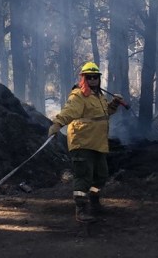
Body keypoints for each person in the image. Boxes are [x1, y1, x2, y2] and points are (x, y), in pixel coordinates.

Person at [47, 61, 124, 222]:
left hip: (97, 143)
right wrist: (57, 124)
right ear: (84, 78)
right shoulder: (79, 96)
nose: (93, 80)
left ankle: (94, 202)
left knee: (101, 175)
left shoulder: (99, 96)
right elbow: (69, 111)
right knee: (83, 177)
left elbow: (103, 114)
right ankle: (81, 209)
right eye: (89, 77)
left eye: (96, 77)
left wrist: (114, 104)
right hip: (82, 142)